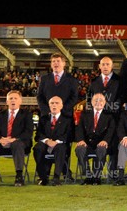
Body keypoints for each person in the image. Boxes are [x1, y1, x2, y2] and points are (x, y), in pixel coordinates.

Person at [36, 52, 79, 180]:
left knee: (65, 144)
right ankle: (46, 171)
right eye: (53, 61)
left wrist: (61, 110)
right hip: (47, 117)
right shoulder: (45, 79)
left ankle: (65, 171)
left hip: (65, 117)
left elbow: (74, 97)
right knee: (47, 143)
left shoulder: (71, 80)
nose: (55, 63)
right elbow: (40, 97)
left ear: (64, 63)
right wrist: (48, 111)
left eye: (58, 61)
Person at [0, 90, 33, 187]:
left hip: (19, 144)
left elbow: (28, 132)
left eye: (15, 98)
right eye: (10, 98)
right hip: (2, 144)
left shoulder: (27, 115)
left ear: (20, 101)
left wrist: (14, 139)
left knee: (17, 144)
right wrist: (0, 139)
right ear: (7, 101)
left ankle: (19, 176)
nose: (13, 100)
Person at [87, 56, 124, 180]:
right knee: (98, 146)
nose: (105, 67)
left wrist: (109, 109)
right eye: (103, 64)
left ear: (112, 66)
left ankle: (112, 174)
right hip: (98, 121)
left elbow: (121, 98)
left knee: (113, 147)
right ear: (99, 66)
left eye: (108, 64)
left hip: (115, 119)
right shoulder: (94, 81)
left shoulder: (119, 81)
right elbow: (89, 99)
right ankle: (95, 174)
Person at [75, 93, 115, 185]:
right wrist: (81, 140)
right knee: (80, 149)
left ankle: (97, 176)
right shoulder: (84, 114)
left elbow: (111, 131)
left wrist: (105, 141)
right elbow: (79, 129)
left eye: (101, 100)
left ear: (105, 102)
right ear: (92, 102)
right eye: (96, 100)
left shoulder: (109, 116)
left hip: (102, 143)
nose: (98, 102)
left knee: (101, 149)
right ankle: (88, 176)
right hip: (87, 143)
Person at [33, 96, 73, 186]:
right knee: (37, 148)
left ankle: (56, 177)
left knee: (60, 149)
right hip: (46, 143)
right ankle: (43, 177)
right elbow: (38, 135)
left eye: (57, 103)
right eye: (52, 103)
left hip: (60, 144)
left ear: (61, 106)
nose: (54, 105)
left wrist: (57, 141)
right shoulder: (43, 119)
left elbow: (69, 135)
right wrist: (47, 141)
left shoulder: (68, 120)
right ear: (49, 105)